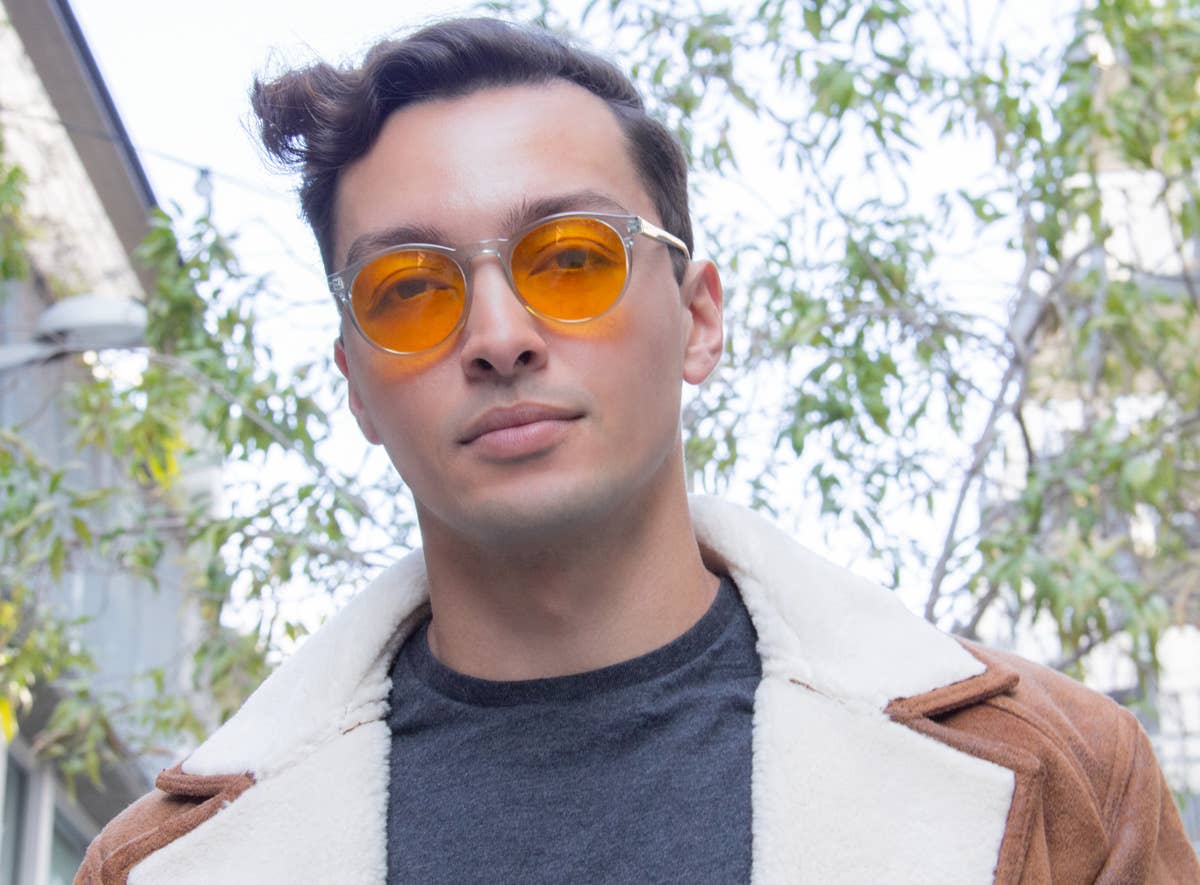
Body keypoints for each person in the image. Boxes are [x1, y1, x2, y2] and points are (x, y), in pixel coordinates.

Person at [77, 17, 1198, 885]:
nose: (499, 336)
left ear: (699, 317)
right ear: (355, 383)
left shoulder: (1068, 780)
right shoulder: (163, 864)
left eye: (571, 259)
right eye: (409, 289)